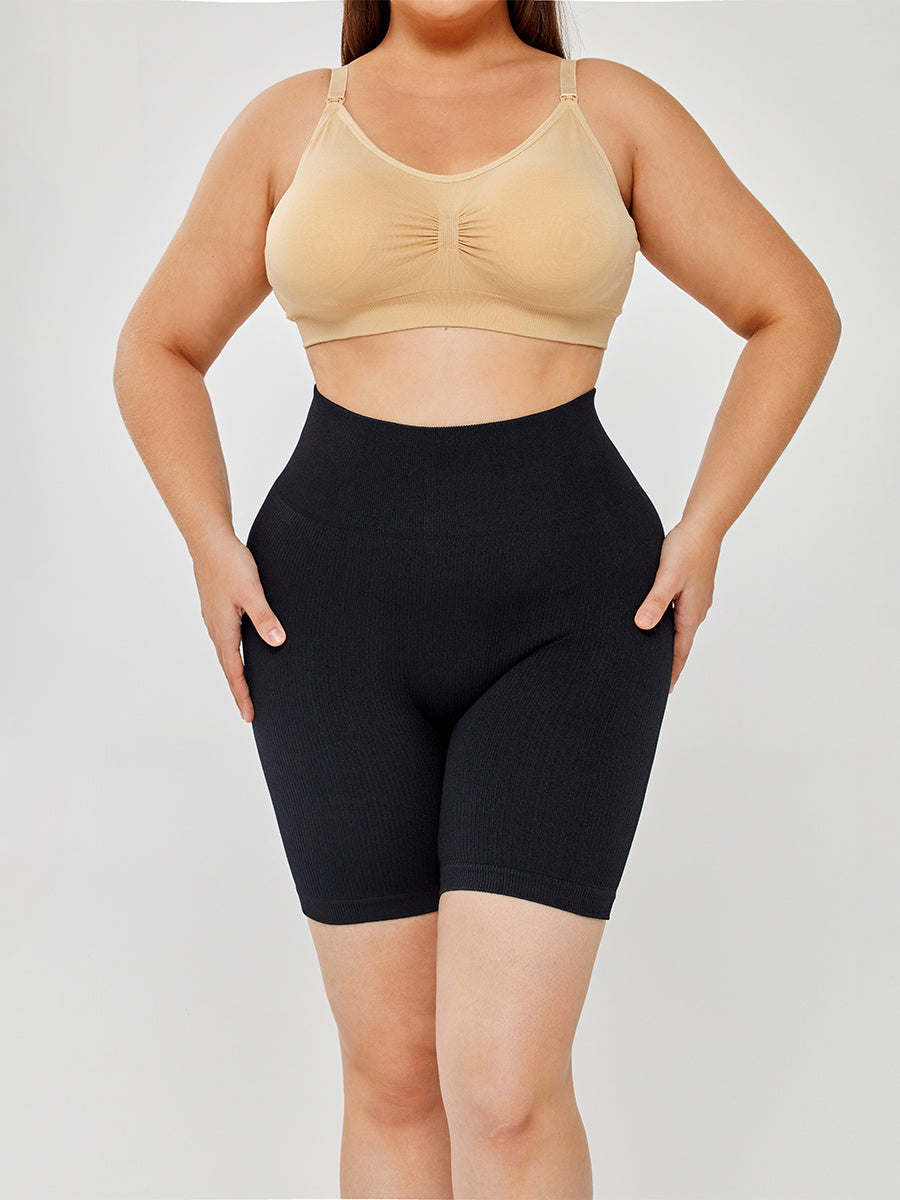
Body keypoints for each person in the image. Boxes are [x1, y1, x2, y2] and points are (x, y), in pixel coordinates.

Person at [112, 1, 840, 1196]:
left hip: (572, 626)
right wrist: (208, 542)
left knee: (504, 1090)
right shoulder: (291, 123)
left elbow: (793, 310)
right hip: (325, 625)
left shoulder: (608, 110)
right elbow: (157, 345)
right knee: (393, 1078)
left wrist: (705, 526)